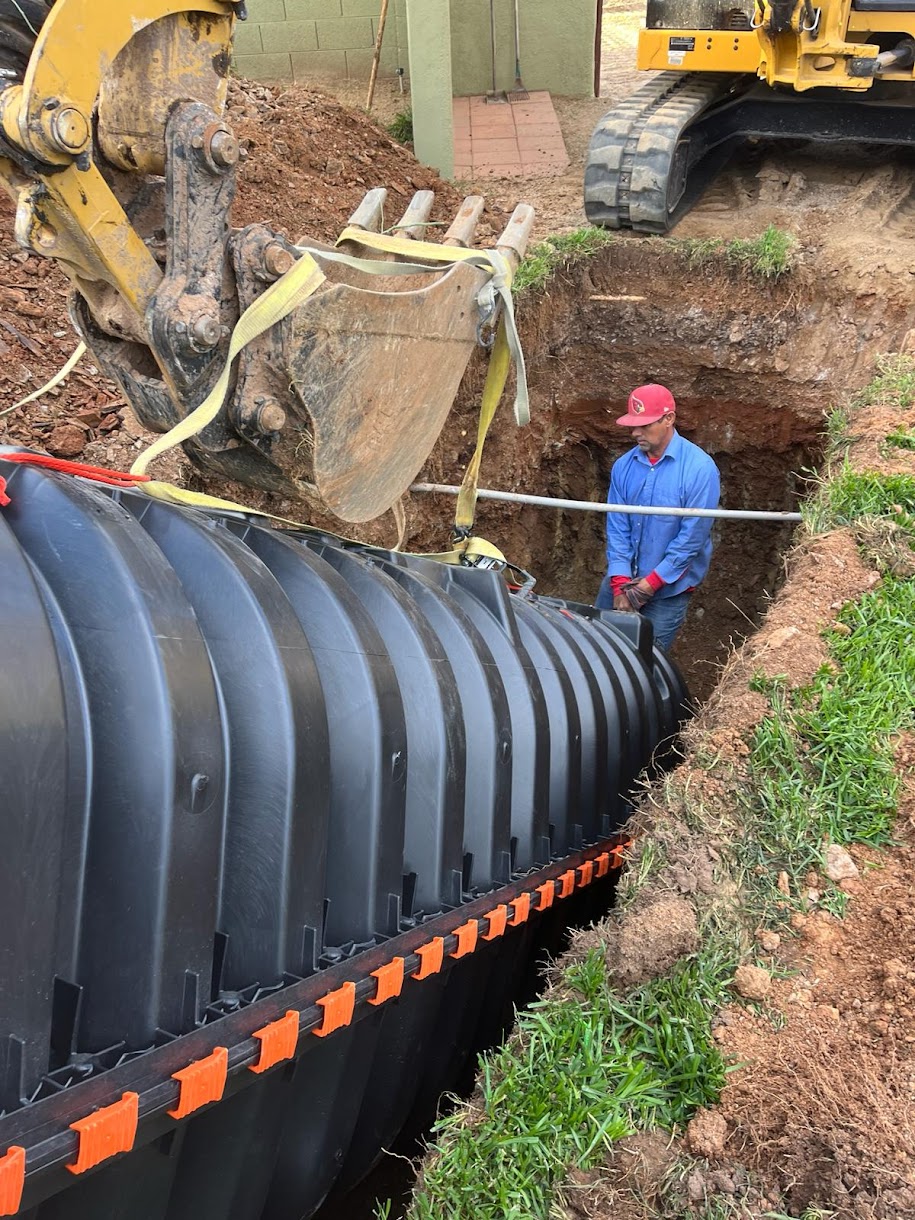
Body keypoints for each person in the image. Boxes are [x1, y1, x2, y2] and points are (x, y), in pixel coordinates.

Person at [596, 383, 720, 651]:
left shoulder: (700, 470)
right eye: (632, 425)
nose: (635, 432)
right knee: (597, 650)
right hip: (623, 579)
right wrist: (619, 584)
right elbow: (617, 527)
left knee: (646, 666)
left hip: (667, 591)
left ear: (669, 419)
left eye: (645, 425)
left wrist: (648, 586)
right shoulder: (624, 466)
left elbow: (691, 539)